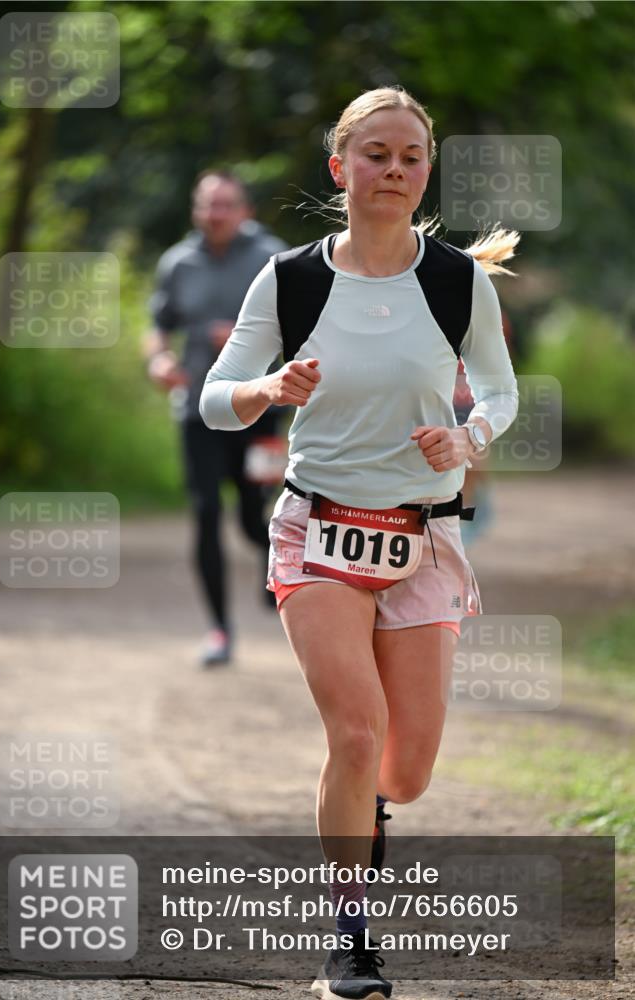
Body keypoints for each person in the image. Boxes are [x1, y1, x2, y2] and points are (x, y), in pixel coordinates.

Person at [200, 87, 519, 1000]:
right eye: (374, 154)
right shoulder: (290, 280)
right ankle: (347, 944)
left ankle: (368, 805)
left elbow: (500, 392)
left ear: (426, 171)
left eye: (410, 156)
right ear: (339, 168)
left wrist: (468, 437)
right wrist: (268, 389)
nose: (393, 169)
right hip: (318, 529)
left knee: (403, 772)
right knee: (354, 732)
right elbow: (216, 400)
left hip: (424, 533)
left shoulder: (455, 281)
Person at [146, 171, 287, 666]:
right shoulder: (178, 262)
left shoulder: (272, 257)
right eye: (208, 205)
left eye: (226, 205)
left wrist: (248, 340)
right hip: (197, 411)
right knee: (205, 512)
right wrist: (158, 360)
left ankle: (273, 562)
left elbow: (302, 328)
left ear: (245, 210)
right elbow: (159, 325)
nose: (216, 214)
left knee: (254, 515)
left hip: (262, 412)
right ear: (196, 210)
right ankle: (220, 630)